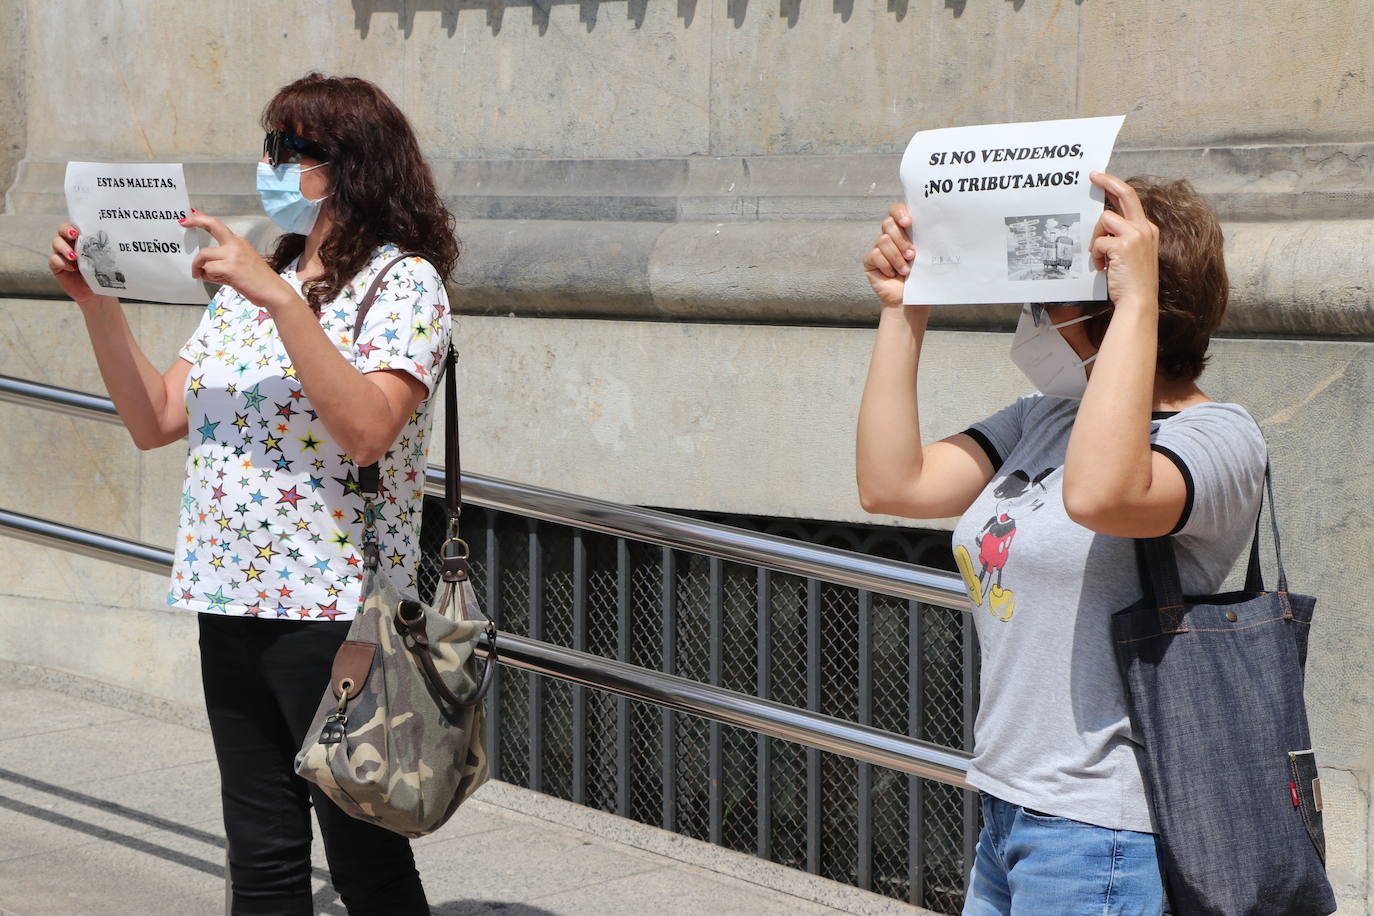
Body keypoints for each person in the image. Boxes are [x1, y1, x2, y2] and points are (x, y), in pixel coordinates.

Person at [49, 73, 458, 915]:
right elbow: (156, 416)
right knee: (263, 856)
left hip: (336, 613)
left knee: (365, 863)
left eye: (290, 149)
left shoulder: (402, 285)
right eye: (268, 144)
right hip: (230, 594)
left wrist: (281, 301)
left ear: (351, 167)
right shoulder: (257, 279)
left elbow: (368, 430)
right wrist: (97, 304)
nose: (269, 165)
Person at [856, 173, 1266, 914]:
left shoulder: (1220, 440)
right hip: (1007, 805)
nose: (1034, 312)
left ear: (1108, 302)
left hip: (1102, 831)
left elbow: (1100, 496)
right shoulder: (1046, 417)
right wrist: (902, 312)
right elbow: (897, 484)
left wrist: (1135, 299)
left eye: (1052, 290)